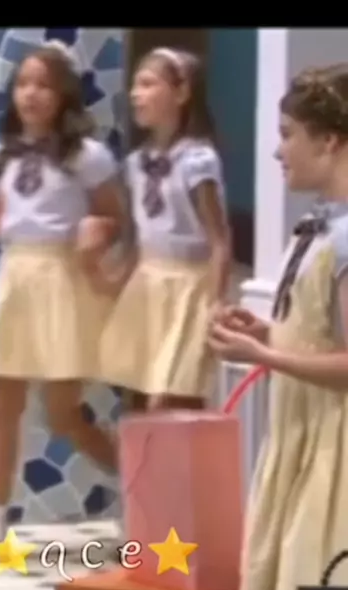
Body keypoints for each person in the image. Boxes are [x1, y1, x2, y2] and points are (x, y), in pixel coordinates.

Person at [0, 41, 126, 565]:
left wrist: (99, 236)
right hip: (16, 277)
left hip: (63, 279)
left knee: (64, 414)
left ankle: (139, 488)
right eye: (23, 83)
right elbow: (7, 224)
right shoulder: (2, 153)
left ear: (64, 93)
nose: (31, 94)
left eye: (43, 85)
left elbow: (115, 218)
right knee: (3, 404)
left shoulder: (87, 156)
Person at [208, 64, 348, 590]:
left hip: (335, 448)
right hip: (304, 436)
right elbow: (323, 330)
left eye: (288, 135)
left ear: (329, 140)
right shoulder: (323, 226)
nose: (277, 151)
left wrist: (266, 355)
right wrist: (270, 335)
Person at [98, 48, 232, 411]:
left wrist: (215, 302)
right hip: (147, 286)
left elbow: (219, 241)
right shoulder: (135, 164)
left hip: (188, 289)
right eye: (134, 86)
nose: (135, 94)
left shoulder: (196, 160)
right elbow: (138, 239)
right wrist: (111, 281)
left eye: (147, 84)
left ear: (181, 92)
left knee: (175, 397)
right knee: (141, 396)